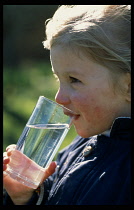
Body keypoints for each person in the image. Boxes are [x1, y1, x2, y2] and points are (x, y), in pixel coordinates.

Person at [3, 5, 131, 205]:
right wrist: (25, 197)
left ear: (128, 87)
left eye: (74, 80)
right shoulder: (79, 148)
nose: (59, 97)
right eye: (58, 79)